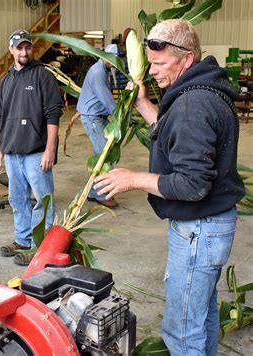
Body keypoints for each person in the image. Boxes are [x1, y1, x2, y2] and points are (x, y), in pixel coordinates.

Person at [94, 19, 245, 355]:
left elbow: (192, 184)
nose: (154, 72)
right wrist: (142, 105)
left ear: (187, 59)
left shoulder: (193, 104)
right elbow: (176, 133)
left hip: (199, 230)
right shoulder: (204, 90)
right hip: (212, 225)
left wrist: (132, 178)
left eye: (160, 64)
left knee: (181, 331)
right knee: (201, 316)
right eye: (150, 63)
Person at [0, 29, 63, 266]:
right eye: (19, 47)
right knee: (17, 199)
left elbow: (53, 113)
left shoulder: (43, 76)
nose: (24, 52)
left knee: (43, 201)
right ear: (11, 49)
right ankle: (22, 240)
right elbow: (0, 117)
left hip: (36, 152)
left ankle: (39, 247)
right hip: (12, 152)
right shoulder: (5, 81)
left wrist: (50, 149)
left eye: (27, 47)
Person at [76, 44, 120, 208]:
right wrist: (119, 114)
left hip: (99, 116)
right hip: (93, 118)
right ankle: (101, 194)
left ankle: (95, 192)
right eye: (112, 59)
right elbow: (106, 98)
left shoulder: (106, 70)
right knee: (105, 154)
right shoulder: (97, 73)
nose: (114, 63)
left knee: (102, 154)